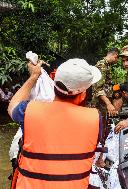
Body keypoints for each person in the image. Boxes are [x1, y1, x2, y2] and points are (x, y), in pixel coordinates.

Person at [7, 58, 102, 189]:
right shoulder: (96, 119)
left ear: (54, 85)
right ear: (83, 94)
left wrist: (34, 77)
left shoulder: (28, 111)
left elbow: (12, 106)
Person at [92, 47, 119, 116]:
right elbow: (98, 88)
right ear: (115, 55)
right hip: (99, 104)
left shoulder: (107, 66)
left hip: (103, 103)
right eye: (117, 58)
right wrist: (108, 104)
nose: (117, 60)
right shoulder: (102, 65)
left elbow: (106, 85)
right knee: (99, 124)